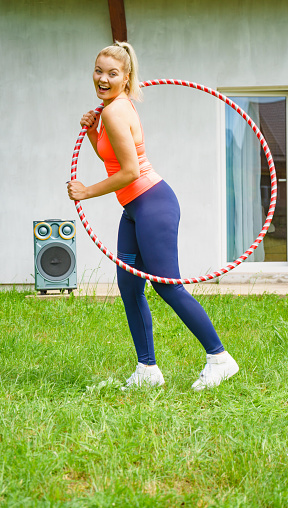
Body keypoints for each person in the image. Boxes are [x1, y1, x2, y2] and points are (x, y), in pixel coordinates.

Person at [67, 41, 239, 391]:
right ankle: (147, 371)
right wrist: (90, 131)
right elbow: (112, 156)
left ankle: (219, 358)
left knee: (165, 284)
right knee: (130, 285)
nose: (102, 78)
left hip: (152, 204)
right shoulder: (112, 108)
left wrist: (87, 191)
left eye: (112, 73)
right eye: (98, 71)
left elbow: (129, 171)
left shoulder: (114, 111)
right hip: (135, 209)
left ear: (125, 77)